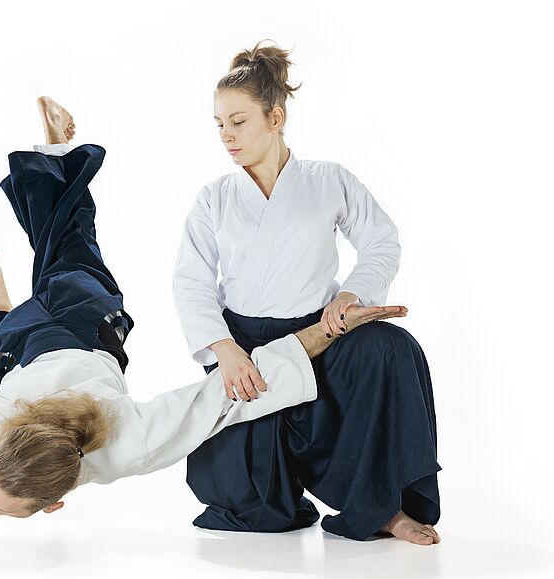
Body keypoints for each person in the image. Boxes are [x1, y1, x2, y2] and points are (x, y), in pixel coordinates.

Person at [0, 96, 409, 544]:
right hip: (63, 332)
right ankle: (41, 191)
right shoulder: (99, 441)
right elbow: (226, 397)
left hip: (55, 334)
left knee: (45, 282)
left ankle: (46, 183)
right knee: (41, 285)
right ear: (56, 500)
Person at [173, 41, 442, 545]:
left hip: (324, 334)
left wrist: (352, 297)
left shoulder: (327, 180)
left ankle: (382, 508)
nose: (226, 136)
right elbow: (191, 280)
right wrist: (224, 350)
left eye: (238, 121)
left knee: (391, 349)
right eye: (219, 124)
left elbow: (381, 240)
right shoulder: (214, 198)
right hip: (247, 348)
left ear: (275, 118)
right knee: (251, 503)